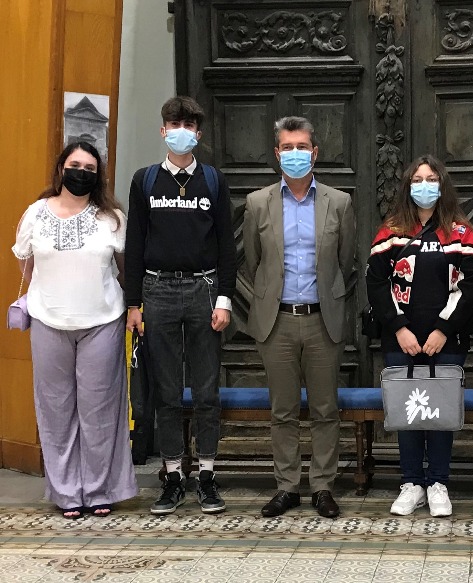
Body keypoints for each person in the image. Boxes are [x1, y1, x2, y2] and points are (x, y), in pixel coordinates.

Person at [12, 142, 138, 518]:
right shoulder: (35, 213)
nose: (81, 172)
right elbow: (26, 265)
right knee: (56, 410)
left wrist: (133, 307)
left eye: (89, 168)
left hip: (102, 323)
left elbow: (125, 269)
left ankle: (100, 490)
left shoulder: (112, 218)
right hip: (48, 322)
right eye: (75, 164)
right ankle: (67, 493)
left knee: (100, 411)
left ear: (98, 176)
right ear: (60, 168)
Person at [125, 96, 236, 515]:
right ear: (163, 130)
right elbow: (135, 242)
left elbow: (226, 245)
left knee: (206, 390)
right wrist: (133, 303)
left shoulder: (213, 180)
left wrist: (224, 298)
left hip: (204, 289)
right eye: (175, 124)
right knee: (167, 391)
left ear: (198, 134)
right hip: (157, 290)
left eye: (189, 125)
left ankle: (206, 475)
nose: (181, 131)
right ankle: (172, 477)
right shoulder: (145, 181)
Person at [243, 116, 356, 520]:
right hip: (277, 321)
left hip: (322, 319)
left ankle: (323, 486)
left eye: (302, 147)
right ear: (277, 154)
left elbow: (345, 260)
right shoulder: (257, 203)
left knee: (325, 409)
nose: (295, 154)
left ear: (315, 152)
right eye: (287, 148)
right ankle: (287, 486)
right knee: (283, 411)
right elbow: (253, 262)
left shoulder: (338, 202)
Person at [366, 155, 473, 517]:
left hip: (447, 341)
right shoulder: (390, 231)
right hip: (400, 340)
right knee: (408, 411)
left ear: (442, 184)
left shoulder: (461, 233)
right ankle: (411, 482)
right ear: (407, 186)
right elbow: (376, 282)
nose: (424, 185)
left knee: (440, 412)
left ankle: (438, 483)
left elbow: (472, 287)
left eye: (431, 178)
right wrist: (399, 327)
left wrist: (443, 330)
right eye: (417, 179)